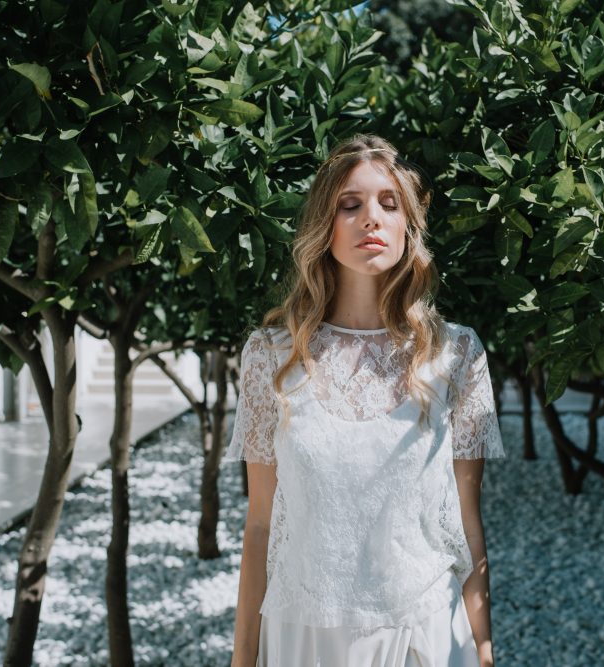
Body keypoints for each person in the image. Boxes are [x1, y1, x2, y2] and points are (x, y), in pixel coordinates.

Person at [223, 134, 506, 667]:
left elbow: (467, 523)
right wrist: (242, 660)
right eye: (349, 205)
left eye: (388, 203)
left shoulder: (457, 353)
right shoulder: (270, 357)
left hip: (424, 636)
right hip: (302, 636)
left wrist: (484, 653)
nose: (370, 218)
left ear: (408, 227)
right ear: (322, 229)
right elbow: (260, 524)